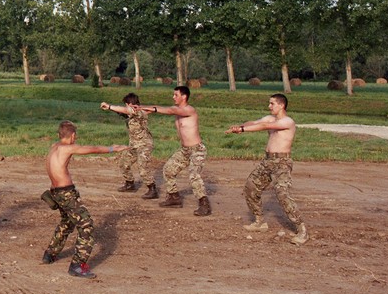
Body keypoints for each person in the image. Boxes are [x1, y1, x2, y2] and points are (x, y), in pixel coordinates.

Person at [41, 120, 129, 278]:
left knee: (67, 222)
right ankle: (77, 265)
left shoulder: (54, 147)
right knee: (86, 225)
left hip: (55, 192)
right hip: (66, 193)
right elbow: (90, 149)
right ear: (73, 136)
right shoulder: (68, 148)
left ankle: (50, 254)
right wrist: (111, 148)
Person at [226, 93, 307, 244]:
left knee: (282, 193)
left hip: (282, 162)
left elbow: (264, 126)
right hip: (267, 161)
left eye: (272, 104)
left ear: (281, 105)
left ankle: (301, 229)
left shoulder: (288, 121)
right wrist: (240, 126)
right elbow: (255, 122)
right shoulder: (270, 118)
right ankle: (259, 222)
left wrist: (243, 130)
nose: (269, 106)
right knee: (250, 187)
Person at [143, 85, 211, 215]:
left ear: (184, 97)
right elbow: (171, 110)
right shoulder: (178, 111)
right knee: (168, 170)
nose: (173, 97)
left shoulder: (189, 110)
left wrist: (152, 108)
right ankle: (174, 198)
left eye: (176, 95)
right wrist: (143, 109)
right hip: (185, 150)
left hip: (197, 150)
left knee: (194, 175)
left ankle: (204, 204)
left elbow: (170, 110)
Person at [101, 93, 157, 198]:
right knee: (123, 162)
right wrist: (111, 109)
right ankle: (129, 184)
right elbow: (123, 113)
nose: (125, 107)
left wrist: (108, 106)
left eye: (126, 104)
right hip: (133, 145)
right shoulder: (131, 113)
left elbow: (127, 111)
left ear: (130, 104)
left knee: (142, 167)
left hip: (144, 145)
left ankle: (152, 188)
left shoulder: (139, 112)